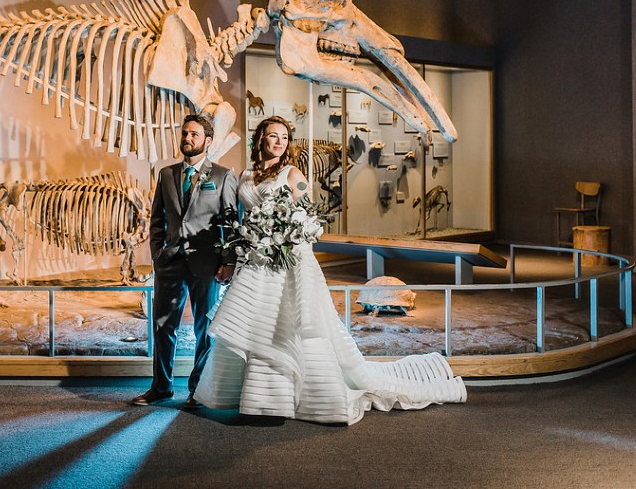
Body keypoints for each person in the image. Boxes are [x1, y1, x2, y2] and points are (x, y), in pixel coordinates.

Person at [193, 116, 466, 424]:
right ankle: (252, 399)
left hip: (283, 261)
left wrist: (284, 237)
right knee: (253, 325)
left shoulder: (292, 174)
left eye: (284, 137)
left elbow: (308, 217)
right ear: (260, 140)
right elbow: (241, 218)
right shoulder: (244, 176)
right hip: (254, 261)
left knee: (280, 326)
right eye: (273, 136)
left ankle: (279, 400)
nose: (279, 142)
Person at [131, 114, 239, 408]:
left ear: (207, 141)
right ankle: (161, 388)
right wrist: (157, 252)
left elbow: (230, 222)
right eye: (184, 134)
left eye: (194, 134)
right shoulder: (166, 174)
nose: (187, 139)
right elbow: (157, 219)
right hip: (169, 262)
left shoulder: (222, 176)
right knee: (163, 326)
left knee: (205, 327)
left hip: (206, 264)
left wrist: (228, 261)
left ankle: (197, 391)